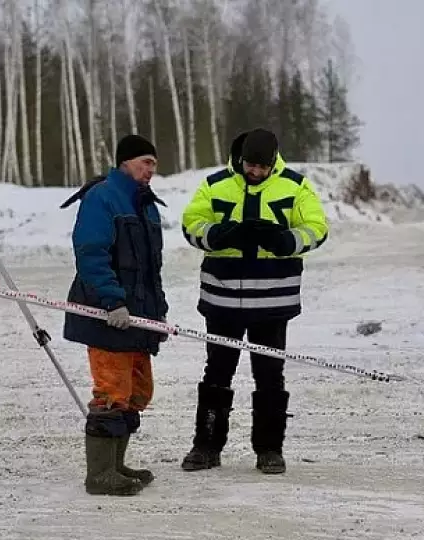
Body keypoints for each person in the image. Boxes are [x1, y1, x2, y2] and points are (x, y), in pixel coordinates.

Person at [178, 127, 329, 474]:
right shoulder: (215, 185)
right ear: (241, 159)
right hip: (222, 299)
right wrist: (217, 234)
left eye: (263, 167)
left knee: (270, 375)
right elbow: (192, 224)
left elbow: (317, 228)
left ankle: (269, 450)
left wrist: (286, 241)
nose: (256, 172)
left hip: (273, 304)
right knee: (217, 372)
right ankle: (206, 447)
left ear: (274, 161)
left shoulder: (295, 186)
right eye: (251, 165)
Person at [61, 134, 169, 496]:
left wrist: (158, 314)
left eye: (154, 163)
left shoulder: (147, 203)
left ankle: (117, 464)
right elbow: (91, 253)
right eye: (146, 162)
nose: (152, 169)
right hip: (107, 314)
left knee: (138, 392)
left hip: (137, 316)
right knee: (112, 391)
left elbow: (152, 270)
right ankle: (100, 475)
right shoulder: (103, 197)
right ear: (126, 163)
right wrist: (111, 302)